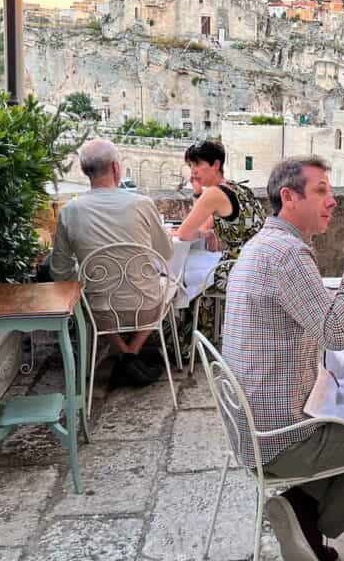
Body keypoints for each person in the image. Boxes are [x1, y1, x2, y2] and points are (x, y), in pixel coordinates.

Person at [223, 157, 344, 561]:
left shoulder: (265, 244)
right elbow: (336, 333)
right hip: (278, 438)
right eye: (321, 191)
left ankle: (302, 507)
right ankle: (308, 518)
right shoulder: (286, 254)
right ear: (288, 197)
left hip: (253, 424)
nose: (333, 201)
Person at [49, 139, 173, 385]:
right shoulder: (142, 204)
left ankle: (124, 354)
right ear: (116, 168)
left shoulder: (70, 211)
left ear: (85, 171)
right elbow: (166, 252)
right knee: (171, 287)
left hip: (99, 313)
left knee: (91, 294)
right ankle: (131, 356)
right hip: (145, 306)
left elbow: (59, 272)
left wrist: (83, 271)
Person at [177, 140, 267, 260]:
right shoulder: (239, 188)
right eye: (190, 165)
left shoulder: (213, 193)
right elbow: (205, 224)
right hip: (256, 264)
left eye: (197, 164)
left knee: (173, 270)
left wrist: (207, 233)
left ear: (216, 165)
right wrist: (198, 192)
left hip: (236, 268)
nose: (193, 171)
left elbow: (184, 234)